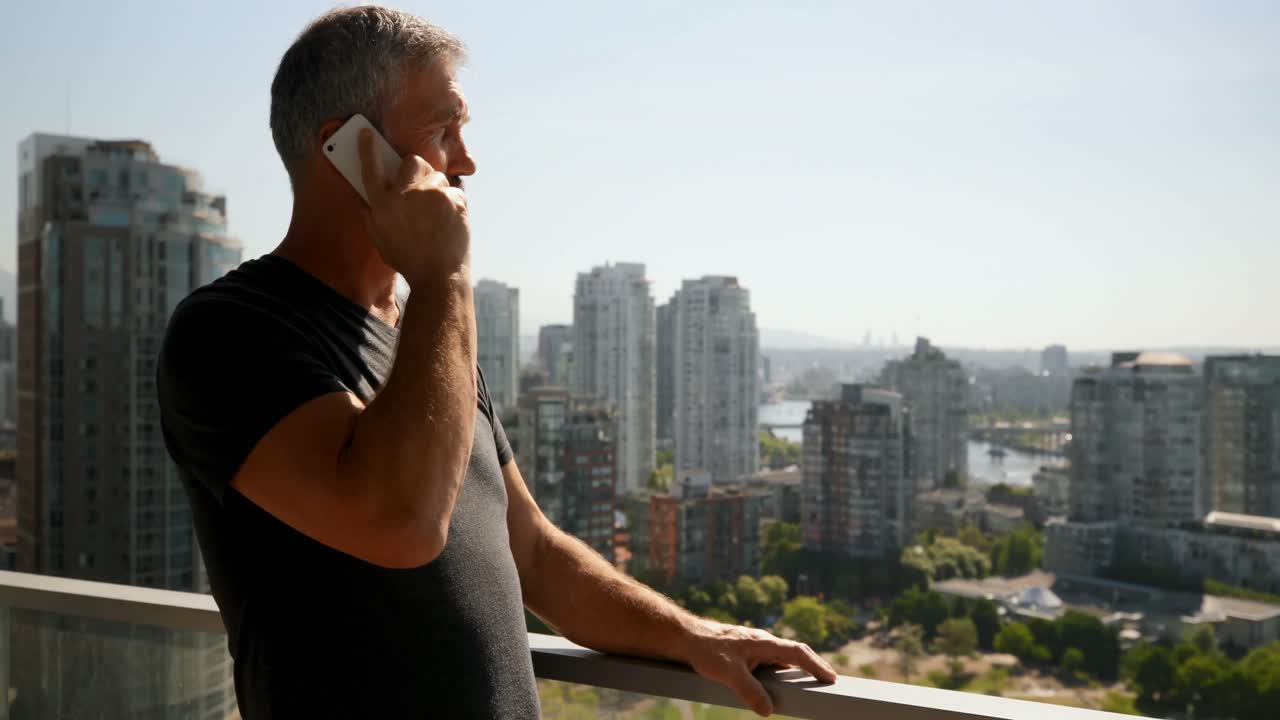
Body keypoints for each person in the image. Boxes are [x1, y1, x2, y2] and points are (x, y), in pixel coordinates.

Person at [157, 6, 834, 718]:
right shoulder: (229, 332)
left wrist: (689, 634)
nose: (467, 161)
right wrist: (443, 274)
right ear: (349, 149)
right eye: (442, 130)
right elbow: (401, 522)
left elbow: (532, 551)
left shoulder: (426, 338)